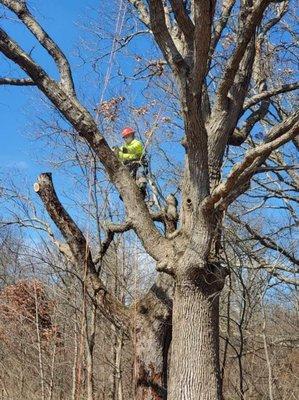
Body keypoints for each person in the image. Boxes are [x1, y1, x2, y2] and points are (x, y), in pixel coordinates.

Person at [114, 127, 147, 198]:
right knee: (128, 178)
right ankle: (125, 192)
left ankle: (142, 188)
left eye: (128, 136)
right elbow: (121, 155)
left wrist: (120, 151)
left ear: (132, 135)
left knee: (139, 174)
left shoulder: (137, 143)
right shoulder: (124, 146)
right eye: (125, 137)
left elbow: (131, 149)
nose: (126, 138)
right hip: (130, 166)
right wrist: (115, 152)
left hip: (138, 163)